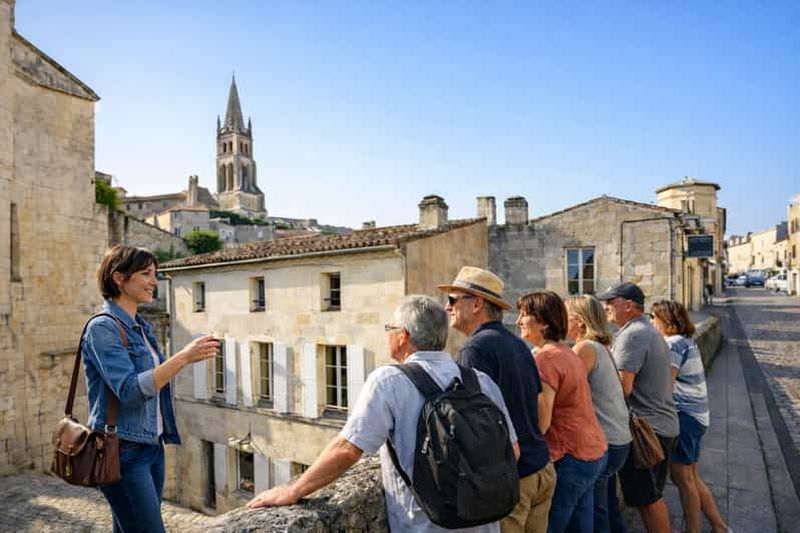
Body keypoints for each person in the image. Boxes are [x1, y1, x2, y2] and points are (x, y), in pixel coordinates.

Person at [247, 295, 518, 532]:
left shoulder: (389, 381)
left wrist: (293, 490)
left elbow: (347, 450)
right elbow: (513, 451)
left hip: (424, 527)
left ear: (403, 336)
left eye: (389, 329)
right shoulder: (480, 381)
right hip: (484, 523)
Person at [84, 245, 220, 533]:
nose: (154, 282)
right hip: (122, 451)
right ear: (119, 278)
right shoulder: (102, 328)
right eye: (146, 274)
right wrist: (184, 357)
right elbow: (130, 391)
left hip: (151, 446)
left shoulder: (140, 326)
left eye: (155, 274)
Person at [440, 266, 554, 533]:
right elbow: (537, 405)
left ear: (477, 303)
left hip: (514, 479)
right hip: (541, 468)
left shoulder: (475, 349)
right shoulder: (517, 344)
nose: (447, 307)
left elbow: (472, 425)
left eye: (453, 300)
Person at [516, 291, 608, 533]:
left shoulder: (546, 359)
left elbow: (542, 422)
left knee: (553, 525)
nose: (518, 321)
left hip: (571, 455)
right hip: (592, 449)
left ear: (543, 323)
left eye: (524, 315)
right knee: (581, 524)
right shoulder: (566, 352)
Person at [597, 282, 679, 533]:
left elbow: (622, 388)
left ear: (629, 306)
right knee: (651, 495)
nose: (606, 307)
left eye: (611, 302)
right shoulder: (647, 330)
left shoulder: (632, 335)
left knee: (648, 499)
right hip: (661, 425)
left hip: (647, 430)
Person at [651, 300, 729, 533]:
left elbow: (666, 385)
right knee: (691, 477)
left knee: (683, 478)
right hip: (696, 415)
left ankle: (693, 530)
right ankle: (719, 527)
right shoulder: (685, 341)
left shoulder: (673, 344)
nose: (651, 322)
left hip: (685, 416)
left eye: (654, 318)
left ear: (667, 321)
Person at [565, 295, 632, 533]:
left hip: (606, 440)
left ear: (581, 322)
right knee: (609, 505)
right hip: (619, 438)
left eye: (566, 316)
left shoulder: (584, 348)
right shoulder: (602, 346)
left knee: (596, 510)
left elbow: (566, 391)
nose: (562, 320)